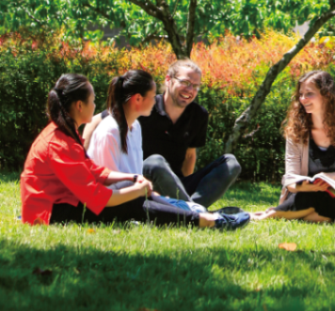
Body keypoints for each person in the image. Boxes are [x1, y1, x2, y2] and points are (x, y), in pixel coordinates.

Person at [20, 74, 250, 229]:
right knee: (130, 205)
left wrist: (132, 179)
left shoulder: (67, 135)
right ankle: (207, 221)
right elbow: (98, 197)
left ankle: (204, 217)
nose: (95, 105)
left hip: (65, 204)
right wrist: (136, 190)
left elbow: (93, 170)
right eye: (92, 100)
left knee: (135, 202)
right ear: (79, 106)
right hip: (52, 213)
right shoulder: (59, 143)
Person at [83, 60, 241, 208]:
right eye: (185, 83)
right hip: (145, 179)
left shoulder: (199, 115)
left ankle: (188, 209)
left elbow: (189, 156)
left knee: (231, 163)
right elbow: (95, 121)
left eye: (195, 86)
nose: (190, 90)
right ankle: (191, 212)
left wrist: (180, 190)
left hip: (175, 183)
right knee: (155, 162)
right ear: (168, 80)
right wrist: (83, 162)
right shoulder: (146, 105)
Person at [254, 71, 335, 225]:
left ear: (327, 94)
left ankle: (279, 215)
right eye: (301, 94)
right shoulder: (296, 129)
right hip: (304, 195)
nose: (303, 99)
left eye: (309, 94)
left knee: (333, 203)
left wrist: (332, 177)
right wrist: (306, 186)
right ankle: (274, 216)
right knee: (312, 196)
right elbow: (290, 179)